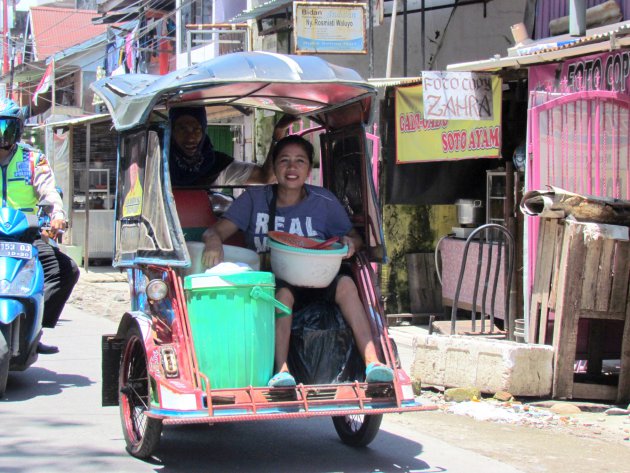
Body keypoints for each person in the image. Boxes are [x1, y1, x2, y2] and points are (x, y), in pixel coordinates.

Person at [201, 135, 394, 387]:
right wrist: (213, 243)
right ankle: (281, 371)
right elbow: (213, 232)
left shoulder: (324, 202)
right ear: (274, 165)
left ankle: (374, 363)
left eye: (300, 161)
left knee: (347, 284)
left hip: (320, 279)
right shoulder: (254, 199)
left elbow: (354, 237)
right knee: (283, 296)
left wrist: (350, 244)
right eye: (284, 161)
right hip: (274, 282)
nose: (292, 168)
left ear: (309, 167)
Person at [0, 98, 79, 354]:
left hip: (23, 234)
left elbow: (49, 191)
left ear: (18, 129)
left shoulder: (33, 159)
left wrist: (58, 216)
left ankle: (34, 328)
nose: (2, 136)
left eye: (7, 129)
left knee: (66, 270)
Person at [170, 107, 286, 186]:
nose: (190, 137)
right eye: (182, 129)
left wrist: (278, 134)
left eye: (197, 129)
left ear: (204, 130)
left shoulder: (218, 164)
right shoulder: (157, 163)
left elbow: (266, 177)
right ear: (171, 131)